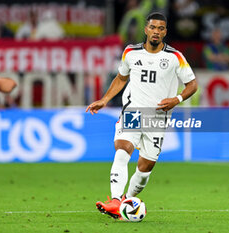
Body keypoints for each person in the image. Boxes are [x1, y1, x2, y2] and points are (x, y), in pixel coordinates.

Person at [86, 12, 197, 219]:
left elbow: (192, 84)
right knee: (122, 149)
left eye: (161, 28)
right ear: (146, 29)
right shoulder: (131, 52)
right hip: (133, 111)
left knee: (145, 169)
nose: (156, 31)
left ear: (165, 32)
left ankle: (124, 203)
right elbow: (121, 78)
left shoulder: (175, 57)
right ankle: (116, 200)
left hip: (158, 118)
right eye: (153, 27)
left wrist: (177, 99)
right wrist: (105, 99)